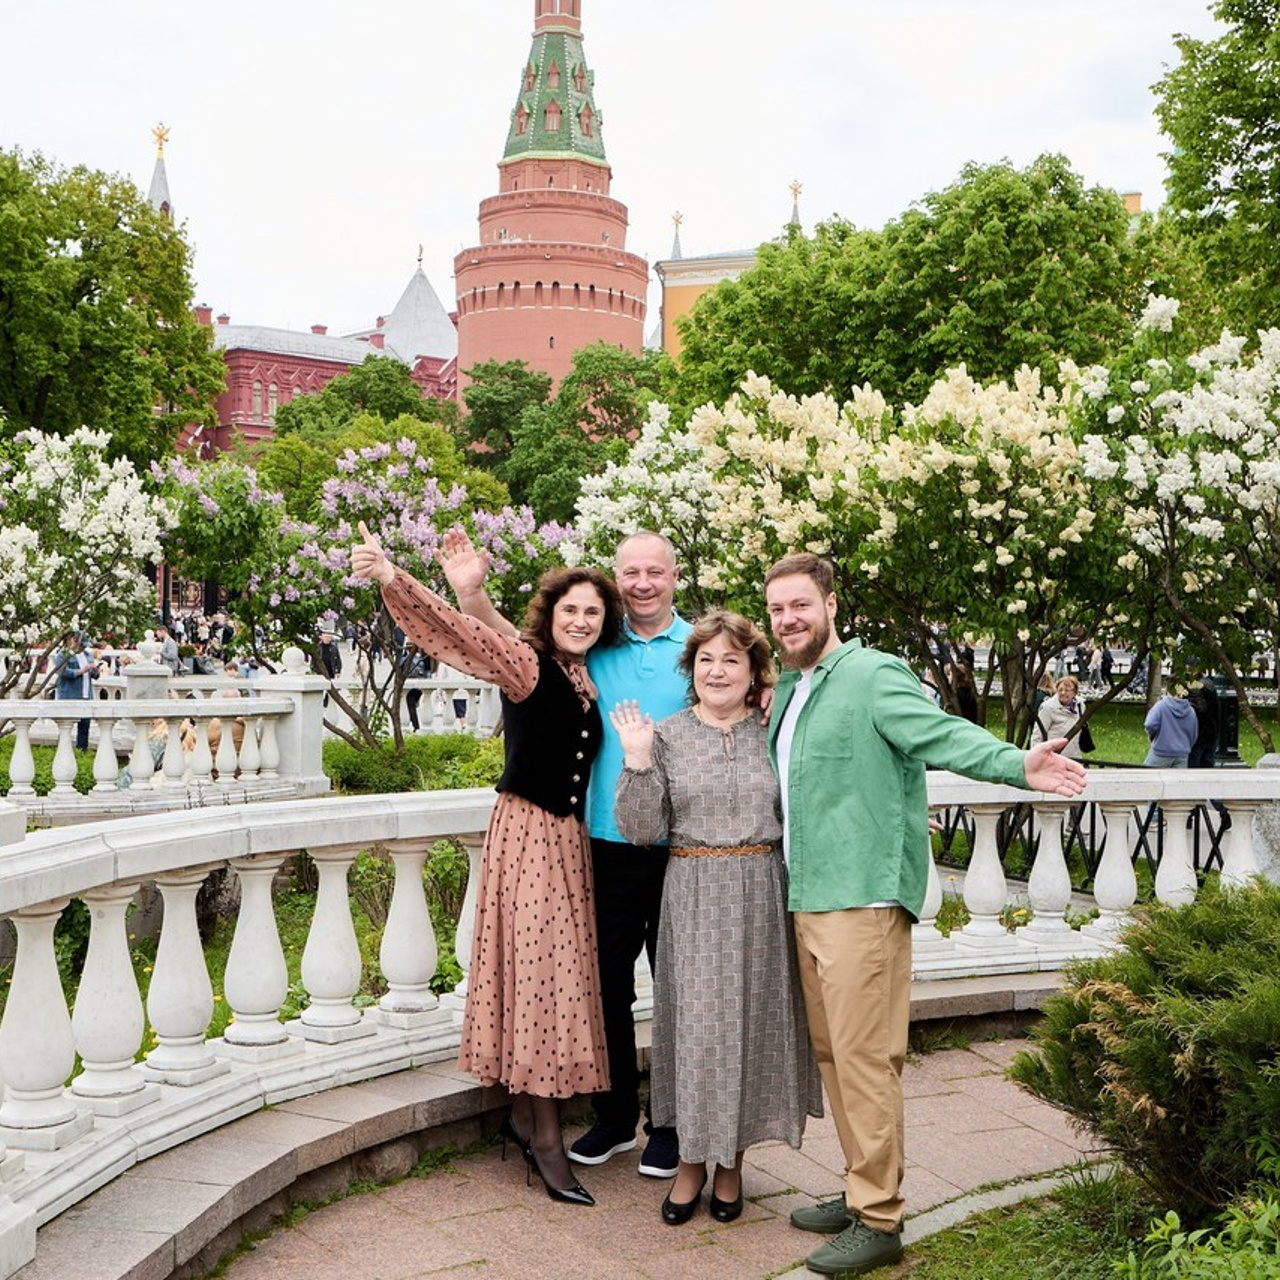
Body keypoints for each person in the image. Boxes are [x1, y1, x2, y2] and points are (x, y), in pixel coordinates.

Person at [763, 553, 1087, 1277]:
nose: (788, 620)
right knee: (834, 1058)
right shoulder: (793, 688)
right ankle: (859, 1188)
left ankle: (879, 1218)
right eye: (777, 609)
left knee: (866, 1061)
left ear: (830, 604)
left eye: (800, 606)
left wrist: (1016, 764)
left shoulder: (874, 674)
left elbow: (942, 736)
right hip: (808, 894)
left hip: (864, 900)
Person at [351, 521, 623, 1207]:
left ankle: (528, 1120)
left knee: (553, 978)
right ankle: (546, 1140)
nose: (584, 620)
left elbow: (496, 625)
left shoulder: (581, 673)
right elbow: (465, 635)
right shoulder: (528, 666)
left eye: (594, 611)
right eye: (572, 610)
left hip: (567, 843)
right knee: (540, 977)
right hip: (528, 834)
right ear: (551, 616)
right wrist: (395, 579)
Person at [447, 528, 691, 1181]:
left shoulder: (698, 649)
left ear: (674, 576)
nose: (642, 582)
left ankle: (668, 1125)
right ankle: (613, 1117)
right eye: (630, 572)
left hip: (679, 849)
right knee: (605, 988)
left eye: (655, 572)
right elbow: (514, 646)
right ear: (618, 579)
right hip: (599, 849)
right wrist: (473, 597)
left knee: (675, 988)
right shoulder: (595, 646)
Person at [612, 612, 821, 1227]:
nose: (717, 670)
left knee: (754, 1027)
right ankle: (691, 1165)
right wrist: (638, 760)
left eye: (732, 660)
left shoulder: (776, 731)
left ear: (756, 670)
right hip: (695, 893)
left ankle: (732, 1163)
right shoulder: (668, 734)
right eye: (706, 660)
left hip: (762, 892)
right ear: (691, 669)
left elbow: (816, 795)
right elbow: (643, 831)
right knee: (700, 1033)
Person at [54, 635, 99, 751]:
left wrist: (95, 670)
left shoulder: (88, 655)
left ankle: (82, 750)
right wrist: (82, 670)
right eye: (82, 645)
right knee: (66, 726)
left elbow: (94, 676)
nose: (84, 647)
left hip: (86, 695)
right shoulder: (62, 655)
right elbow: (63, 672)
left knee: (85, 726)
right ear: (75, 641)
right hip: (70, 695)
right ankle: (63, 749)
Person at [1029, 675, 1087, 761]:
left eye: (1067, 690)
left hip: (1074, 757)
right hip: (1053, 758)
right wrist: (1035, 758)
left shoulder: (1080, 705)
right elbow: (1037, 735)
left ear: (1074, 692)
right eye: (1060, 690)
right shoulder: (1048, 707)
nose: (1063, 693)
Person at [1144, 687, 1198, 767]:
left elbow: (1150, 724)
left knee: (1148, 777)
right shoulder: (1191, 711)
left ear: (1167, 690)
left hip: (1161, 752)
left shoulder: (1161, 706)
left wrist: (1152, 737)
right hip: (1182, 754)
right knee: (1178, 779)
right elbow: (1194, 734)